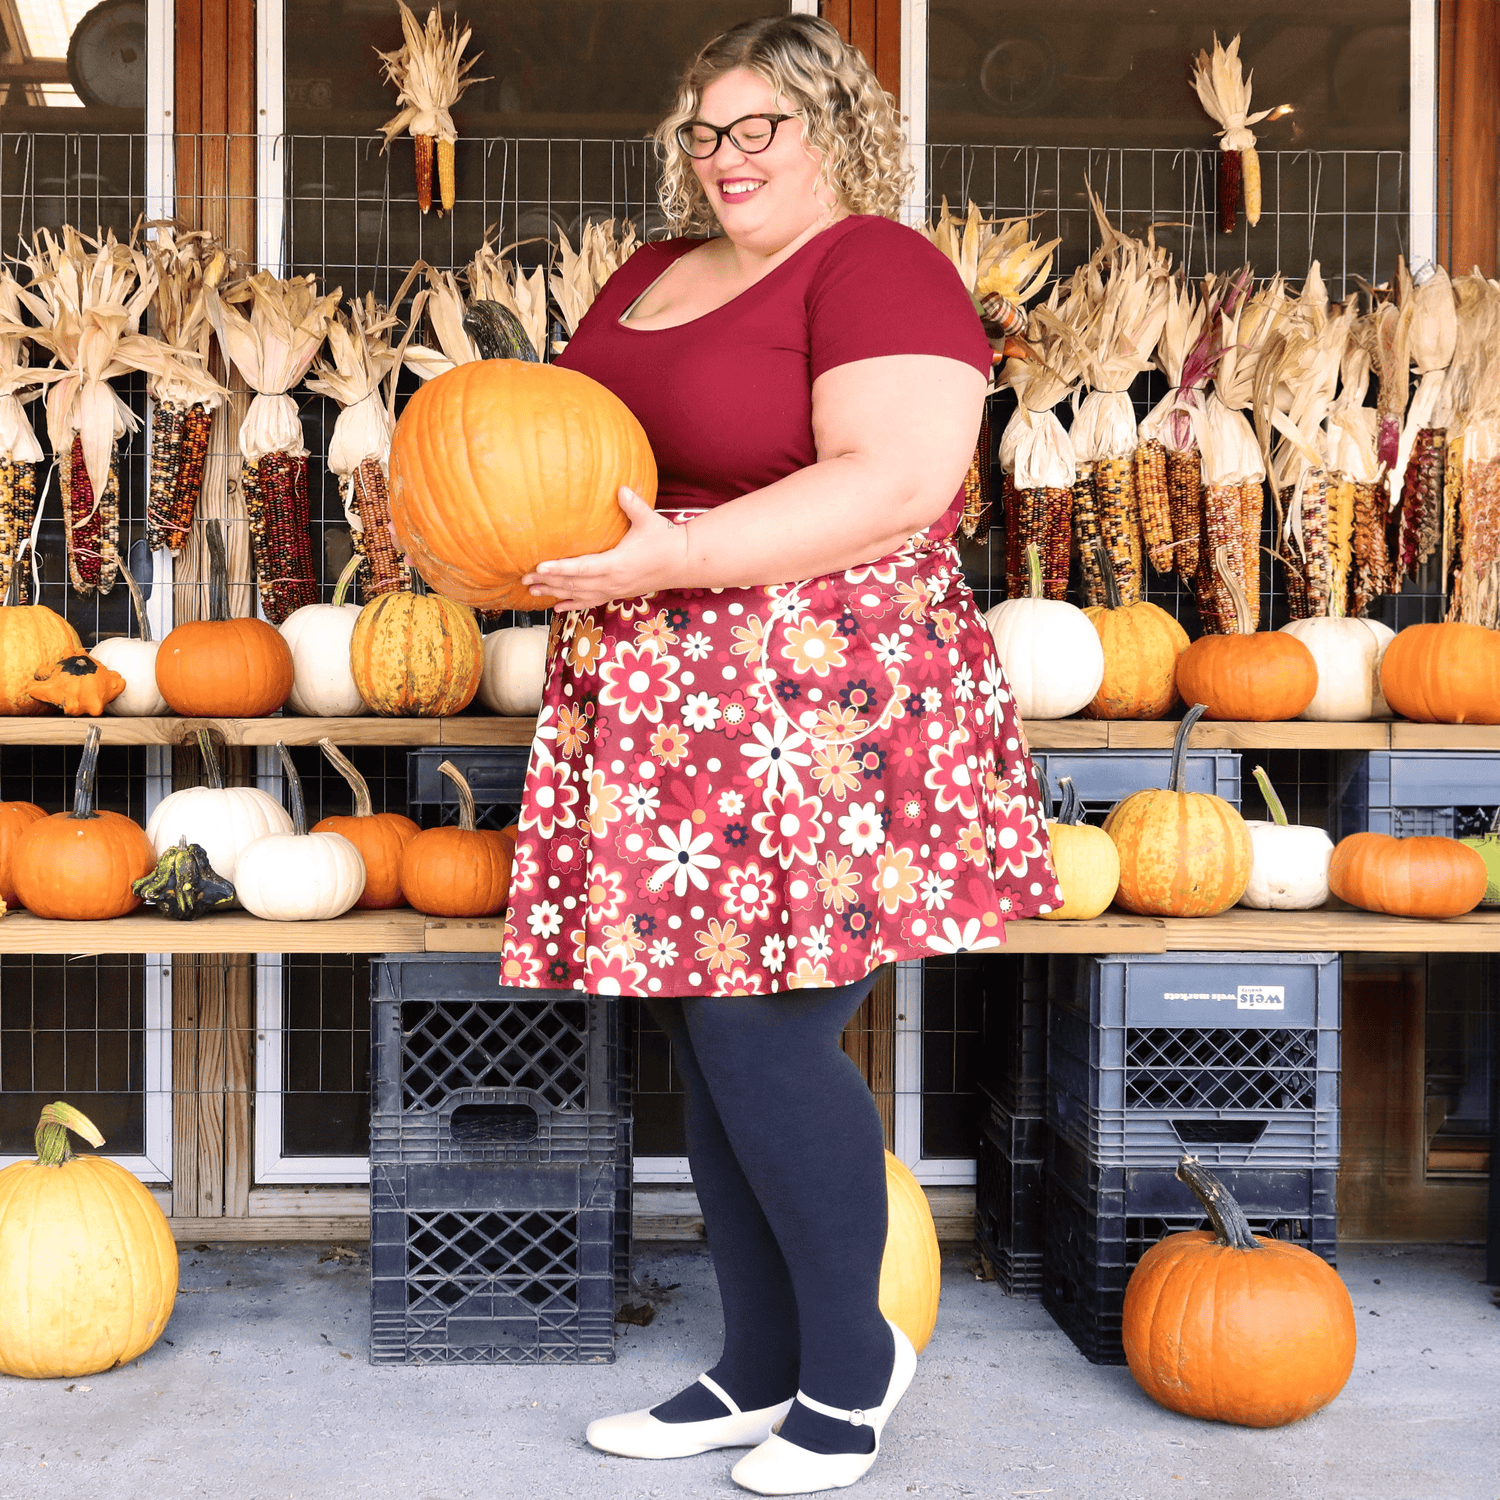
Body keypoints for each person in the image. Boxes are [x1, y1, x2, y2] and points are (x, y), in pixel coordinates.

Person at [498, 14, 1061, 1495]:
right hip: (671, 699)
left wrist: (667, 558)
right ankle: (756, 1367)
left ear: (836, 129)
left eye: (764, 127)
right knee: (707, 1028)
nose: (729, 155)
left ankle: (853, 1370)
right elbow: (568, 449)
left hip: (828, 703)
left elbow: (894, 481)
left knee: (765, 1032)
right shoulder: (650, 271)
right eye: (706, 129)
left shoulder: (877, 264)